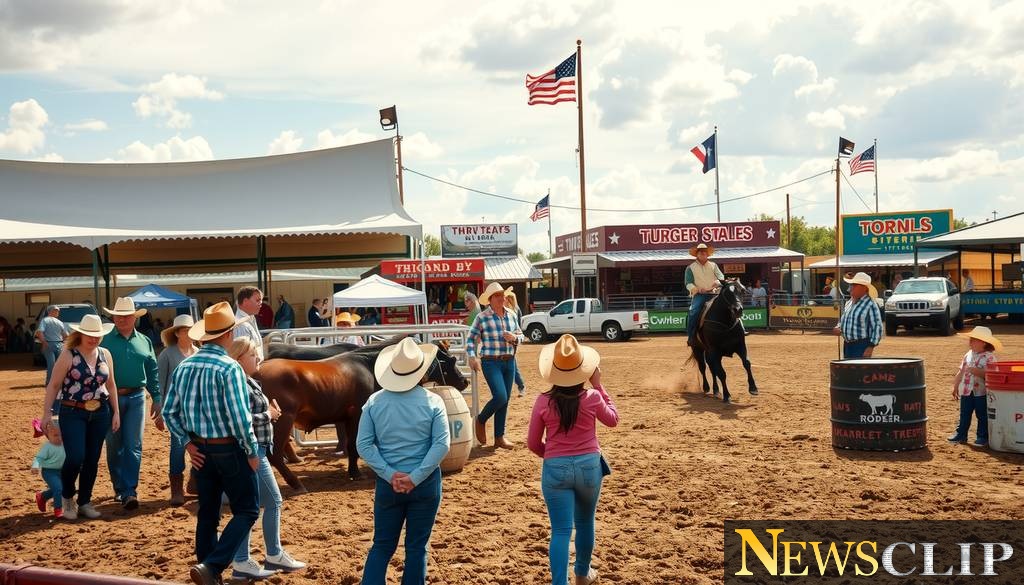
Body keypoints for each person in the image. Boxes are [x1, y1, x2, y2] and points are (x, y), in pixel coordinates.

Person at [161, 302, 261, 585]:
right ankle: (212, 566)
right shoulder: (230, 368)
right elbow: (240, 418)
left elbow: (170, 412)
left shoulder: (184, 366)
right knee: (247, 509)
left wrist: (187, 444)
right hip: (229, 447)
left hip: (200, 449)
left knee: (208, 512)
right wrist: (252, 451)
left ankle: (208, 570)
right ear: (229, 334)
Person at [356, 337, 450, 585]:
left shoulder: (374, 402)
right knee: (417, 547)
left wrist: (389, 474)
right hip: (425, 484)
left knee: (382, 545)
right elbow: (441, 444)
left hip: (389, 486)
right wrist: (416, 477)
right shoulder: (433, 401)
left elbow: (363, 445)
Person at [527, 334, 618, 585]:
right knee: (585, 522)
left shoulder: (543, 401)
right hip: (589, 466)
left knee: (560, 530)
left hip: (556, 468)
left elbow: (533, 443)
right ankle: (582, 573)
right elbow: (613, 419)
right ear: (583, 370)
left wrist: (555, 456)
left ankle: (560, 582)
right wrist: (598, 385)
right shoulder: (592, 397)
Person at [227, 337, 305, 579]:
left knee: (250, 506)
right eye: (252, 355)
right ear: (239, 358)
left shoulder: (246, 380)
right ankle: (269, 554)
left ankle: (248, 559)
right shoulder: (239, 382)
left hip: (252, 449)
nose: (258, 358)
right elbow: (239, 420)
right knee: (273, 501)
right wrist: (268, 414)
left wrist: (268, 413)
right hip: (252, 450)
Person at [40, 314, 121, 521]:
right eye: (90, 335)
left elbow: (110, 385)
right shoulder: (68, 355)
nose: (94, 339)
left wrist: (116, 412)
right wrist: (47, 413)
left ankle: (84, 501)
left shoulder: (106, 354)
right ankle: (68, 497)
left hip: (100, 412)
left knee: (92, 460)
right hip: (72, 411)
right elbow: (54, 385)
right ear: (81, 334)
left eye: (98, 335)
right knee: (75, 457)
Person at [101, 297, 160, 511]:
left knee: (134, 445)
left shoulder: (144, 341)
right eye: (118, 316)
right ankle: (118, 486)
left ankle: (129, 491)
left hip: (136, 397)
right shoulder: (104, 340)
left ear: (134, 318)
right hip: (109, 399)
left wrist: (157, 398)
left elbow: (152, 371)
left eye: (126, 316)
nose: (122, 319)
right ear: (113, 317)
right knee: (114, 445)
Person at [467, 281, 523, 450]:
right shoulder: (482, 317)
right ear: (490, 299)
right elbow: (470, 339)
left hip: (509, 361)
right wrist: (471, 356)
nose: (501, 298)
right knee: (500, 396)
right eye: (497, 296)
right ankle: (481, 419)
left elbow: (522, 337)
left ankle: (499, 437)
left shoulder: (512, 315)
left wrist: (514, 337)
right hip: (490, 362)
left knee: (504, 401)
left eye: (502, 295)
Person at [158, 315, 198, 507]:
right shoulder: (167, 354)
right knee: (177, 446)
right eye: (184, 330)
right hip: (176, 410)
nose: (188, 333)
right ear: (176, 333)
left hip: (197, 409)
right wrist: (160, 409)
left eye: (190, 329)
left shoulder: (198, 352)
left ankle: (194, 480)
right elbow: (161, 383)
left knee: (199, 444)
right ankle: (176, 487)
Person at [948, 326, 1000, 447]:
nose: (970, 342)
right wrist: (955, 386)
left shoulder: (990, 357)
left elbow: (993, 375)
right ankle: (961, 434)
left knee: (982, 414)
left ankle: (982, 436)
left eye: (973, 340)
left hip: (981, 392)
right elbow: (960, 372)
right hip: (966, 390)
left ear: (983, 343)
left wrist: (979, 372)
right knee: (964, 413)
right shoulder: (968, 355)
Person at [832, 272, 883, 359]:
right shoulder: (848, 303)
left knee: (859, 371)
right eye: (851, 285)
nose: (850, 288)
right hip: (847, 345)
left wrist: (870, 347)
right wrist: (838, 327)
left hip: (862, 346)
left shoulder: (871, 304)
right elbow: (842, 321)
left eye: (854, 285)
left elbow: (877, 327)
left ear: (864, 288)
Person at [684, 243, 724, 347]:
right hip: (699, 295)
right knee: (694, 311)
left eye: (705, 252)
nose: (703, 254)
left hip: (714, 294)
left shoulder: (714, 265)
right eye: (700, 252)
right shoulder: (690, 268)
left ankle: (739, 330)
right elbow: (688, 283)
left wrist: (717, 282)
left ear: (707, 254)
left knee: (730, 307)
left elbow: (721, 277)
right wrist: (696, 289)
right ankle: (691, 336)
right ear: (697, 254)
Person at [32, 418, 66, 518]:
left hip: (63, 471)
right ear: (48, 436)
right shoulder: (48, 447)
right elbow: (39, 458)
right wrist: (35, 466)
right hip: (49, 472)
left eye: (61, 435)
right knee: (59, 488)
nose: (59, 438)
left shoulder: (66, 444)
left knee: (60, 489)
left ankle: (42, 496)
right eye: (55, 435)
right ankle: (58, 510)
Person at [36, 305, 67, 386]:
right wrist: (64, 343)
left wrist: (44, 342)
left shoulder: (45, 320)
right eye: (55, 311)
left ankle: (50, 382)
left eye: (57, 311)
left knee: (51, 364)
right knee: (59, 364)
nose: (57, 312)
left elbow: (39, 332)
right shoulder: (60, 322)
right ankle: (59, 382)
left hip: (49, 344)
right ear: (50, 311)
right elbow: (65, 335)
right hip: (59, 344)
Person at [505, 288, 527, 398]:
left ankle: (521, 386)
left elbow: (516, 328)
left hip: (512, 339)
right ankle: (520, 386)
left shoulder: (512, 311)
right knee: (512, 363)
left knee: (512, 363)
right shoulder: (515, 309)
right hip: (512, 339)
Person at [235, 286, 265, 363]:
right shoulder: (241, 325)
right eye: (258, 300)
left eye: (261, 300)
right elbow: (244, 358)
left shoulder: (251, 319)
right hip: (251, 371)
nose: (261, 303)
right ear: (245, 301)